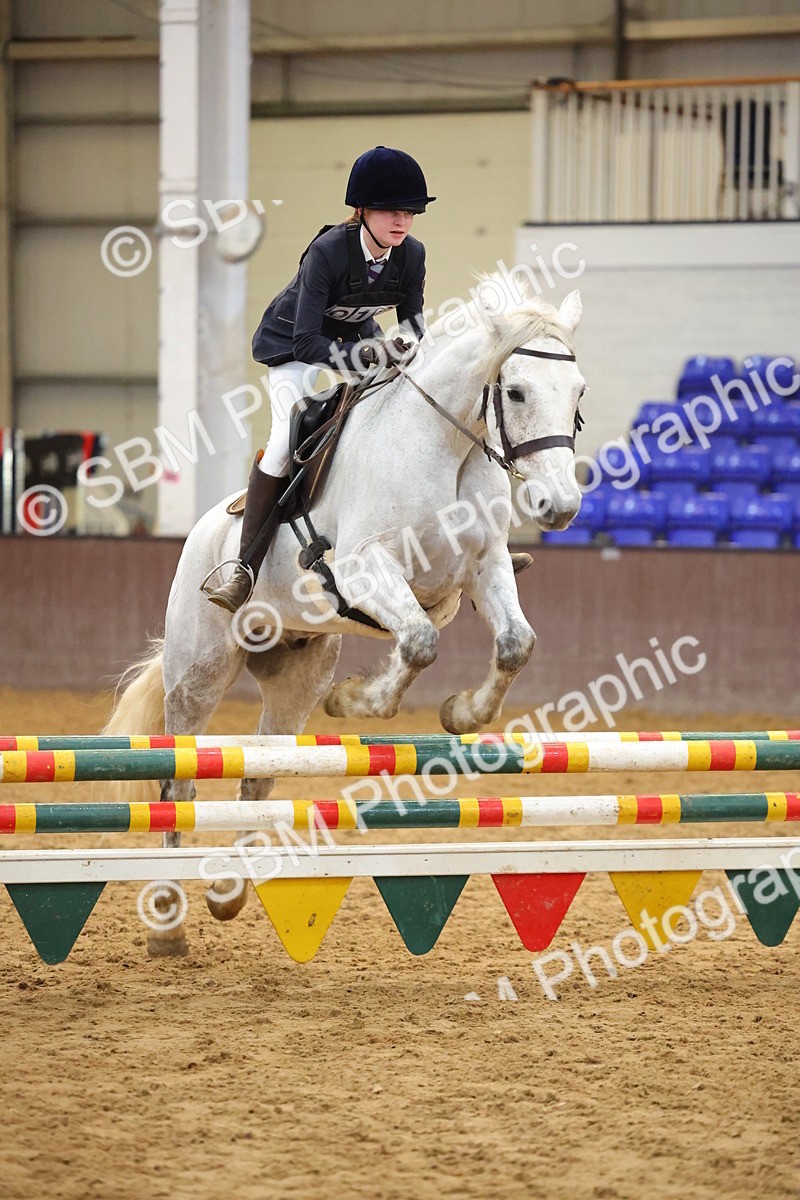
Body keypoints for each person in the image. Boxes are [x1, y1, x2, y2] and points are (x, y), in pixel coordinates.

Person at [206, 144, 432, 612]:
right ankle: (244, 569)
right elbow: (309, 342)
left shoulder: (412, 255)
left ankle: (460, 547)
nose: (402, 221)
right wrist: (369, 352)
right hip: (294, 348)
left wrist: (404, 350)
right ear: (361, 210)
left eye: (409, 212)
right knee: (284, 440)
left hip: (355, 342)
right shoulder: (327, 252)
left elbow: (413, 328)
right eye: (391, 211)